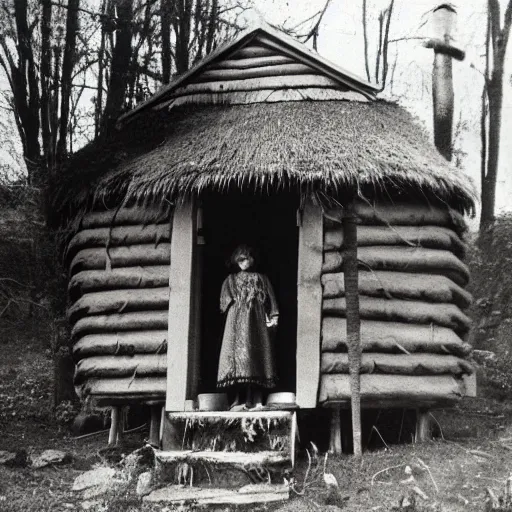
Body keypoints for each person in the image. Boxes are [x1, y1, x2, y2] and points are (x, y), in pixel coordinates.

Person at [217, 245, 278, 410]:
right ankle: (237, 399)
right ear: (236, 261)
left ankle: (255, 398)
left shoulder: (261, 279)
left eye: (247, 259)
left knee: (256, 356)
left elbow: (270, 300)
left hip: (256, 322)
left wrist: (274, 316)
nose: (245, 263)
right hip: (236, 323)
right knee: (236, 359)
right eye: (241, 260)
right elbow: (224, 303)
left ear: (253, 260)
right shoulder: (230, 280)